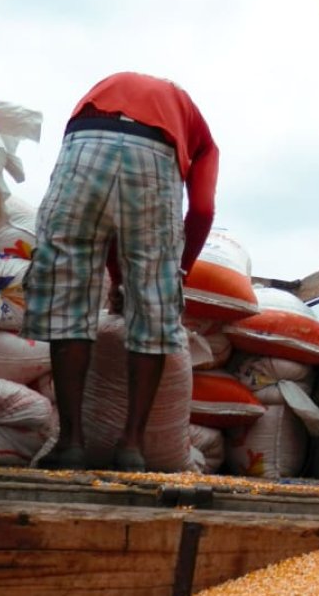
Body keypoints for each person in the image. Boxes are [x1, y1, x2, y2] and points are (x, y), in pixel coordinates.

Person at [22, 71, 219, 472]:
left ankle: (71, 440)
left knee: (68, 292)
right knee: (152, 308)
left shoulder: (103, 89)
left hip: (84, 142)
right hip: (156, 155)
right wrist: (172, 274)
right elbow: (201, 210)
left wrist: (116, 275)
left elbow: (102, 218)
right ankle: (132, 445)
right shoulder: (195, 126)